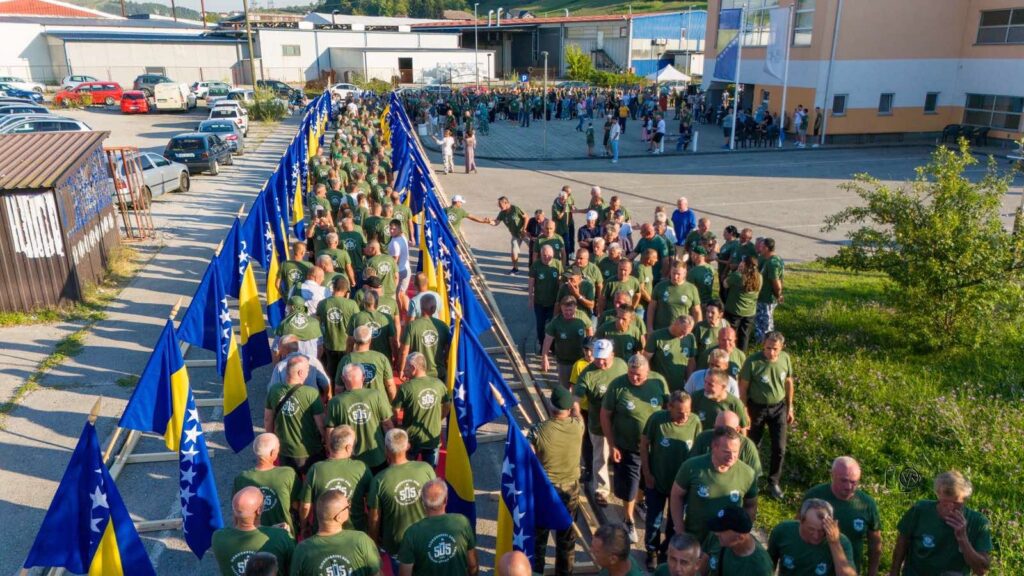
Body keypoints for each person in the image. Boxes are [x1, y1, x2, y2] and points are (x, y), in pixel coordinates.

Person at [601, 354, 669, 543]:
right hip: (627, 446)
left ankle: (640, 502)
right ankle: (628, 519)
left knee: (645, 480)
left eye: (638, 374)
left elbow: (668, 408)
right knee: (630, 484)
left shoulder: (659, 382)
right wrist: (611, 444)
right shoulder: (617, 385)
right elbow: (605, 415)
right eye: (631, 373)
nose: (634, 378)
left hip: (653, 447)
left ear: (648, 371)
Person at [640, 390, 702, 570]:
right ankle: (651, 550)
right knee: (654, 519)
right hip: (657, 480)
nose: (685, 416)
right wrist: (647, 473)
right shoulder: (657, 420)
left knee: (675, 522)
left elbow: (698, 452)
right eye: (680, 412)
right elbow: (644, 444)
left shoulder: (695, 422)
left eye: (688, 411)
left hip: (681, 485)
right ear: (670, 407)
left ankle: (667, 550)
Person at [890, 470, 992, 576]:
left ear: (965, 500)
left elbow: (981, 570)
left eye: (956, 503)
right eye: (945, 503)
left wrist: (963, 539)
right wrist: (894, 571)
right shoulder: (920, 510)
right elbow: (902, 541)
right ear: (938, 495)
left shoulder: (978, 522)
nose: (950, 507)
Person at [529, 386, 585, 576]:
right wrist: (575, 406)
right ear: (568, 409)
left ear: (551, 406)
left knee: (539, 538)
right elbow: (578, 415)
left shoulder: (538, 430)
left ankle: (536, 572)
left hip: (545, 490)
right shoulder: (578, 427)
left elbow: (529, 455)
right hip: (570, 490)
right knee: (566, 538)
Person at [670, 427, 758, 547]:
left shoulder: (748, 474)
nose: (732, 456)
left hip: (726, 546)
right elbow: (676, 495)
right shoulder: (692, 467)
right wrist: (680, 529)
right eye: (727, 451)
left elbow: (751, 505)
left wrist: (742, 533)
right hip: (695, 540)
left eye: (735, 452)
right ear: (714, 446)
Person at [368, 428, 438, 574]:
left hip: (397, 546)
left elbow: (374, 518)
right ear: (408, 446)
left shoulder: (379, 480)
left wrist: (373, 544)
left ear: (386, 450)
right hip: (425, 539)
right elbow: (436, 503)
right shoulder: (426, 469)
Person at [802, 456, 882, 575]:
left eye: (853, 482)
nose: (848, 487)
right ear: (833, 476)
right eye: (844, 481)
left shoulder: (866, 504)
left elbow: (875, 544)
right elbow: (799, 529)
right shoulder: (815, 496)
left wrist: (872, 573)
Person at [739, 331, 795, 499]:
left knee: (779, 447)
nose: (771, 352)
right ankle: (751, 478)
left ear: (781, 348)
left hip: (778, 408)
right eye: (768, 348)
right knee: (752, 445)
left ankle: (773, 481)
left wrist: (790, 407)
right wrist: (744, 410)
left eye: (775, 349)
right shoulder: (752, 362)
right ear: (763, 345)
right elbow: (743, 388)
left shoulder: (785, 359)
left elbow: (788, 382)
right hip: (756, 408)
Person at [572, 339, 626, 507]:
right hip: (598, 423)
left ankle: (623, 487)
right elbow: (576, 397)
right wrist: (577, 414)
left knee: (623, 455)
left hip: (622, 422)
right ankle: (601, 490)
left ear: (613, 355)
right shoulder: (587, 374)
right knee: (600, 456)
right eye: (597, 358)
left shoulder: (621, 365)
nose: (600, 362)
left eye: (604, 359)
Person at [299, 425, 372, 535]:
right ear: (348, 447)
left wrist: (303, 527)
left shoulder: (315, 469)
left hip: (323, 532)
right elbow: (371, 504)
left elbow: (305, 506)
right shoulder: (361, 468)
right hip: (355, 531)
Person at [398, 479, 478, 576]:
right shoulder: (462, 522)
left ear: (423, 502)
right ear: (446, 500)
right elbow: (472, 565)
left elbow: (404, 574)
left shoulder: (411, 533)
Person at [290, 491, 381, 576]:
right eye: (347, 507)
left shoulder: (302, 549)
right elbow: (376, 573)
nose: (349, 509)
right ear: (338, 517)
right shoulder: (361, 540)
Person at [327, 363, 394, 473]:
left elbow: (330, 431)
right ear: (363, 377)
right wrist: (392, 450)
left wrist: (331, 453)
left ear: (343, 379)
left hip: (349, 458)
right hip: (377, 455)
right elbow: (387, 424)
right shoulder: (376, 395)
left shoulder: (335, 402)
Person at [212, 487, 295, 576]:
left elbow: (237, 529)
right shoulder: (281, 537)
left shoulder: (218, 537)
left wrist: (271, 530)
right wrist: (281, 534)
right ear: (259, 510)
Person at [264, 356, 325, 476]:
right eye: (307, 369)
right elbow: (321, 424)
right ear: (300, 373)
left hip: (283, 450)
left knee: (288, 481)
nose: (308, 372)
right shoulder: (311, 393)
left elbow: (267, 419)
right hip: (308, 450)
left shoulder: (274, 390)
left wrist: (272, 442)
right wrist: (326, 441)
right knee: (309, 482)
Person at [233, 433, 300, 537]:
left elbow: (237, 512)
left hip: (254, 536)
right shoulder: (288, 473)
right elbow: (296, 504)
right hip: (283, 534)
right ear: (273, 453)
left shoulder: (241, 478)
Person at [768, 499, 858, 576]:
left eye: (822, 530)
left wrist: (834, 543)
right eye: (811, 529)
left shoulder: (841, 542)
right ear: (800, 520)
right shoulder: (783, 531)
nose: (816, 536)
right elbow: (767, 566)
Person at [392, 352, 450, 467]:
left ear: (413, 368)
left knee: (408, 471)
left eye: (406, 366)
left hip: (411, 440)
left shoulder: (405, 388)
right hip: (432, 437)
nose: (404, 369)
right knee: (430, 472)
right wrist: (438, 419)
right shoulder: (439, 384)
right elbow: (447, 405)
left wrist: (397, 428)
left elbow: (395, 412)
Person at [688, 412, 762, 480]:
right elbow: (691, 465)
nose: (721, 435)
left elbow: (754, 475)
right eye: (718, 429)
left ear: (737, 429)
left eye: (727, 431)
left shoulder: (747, 446)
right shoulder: (704, 438)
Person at [704, 505, 774, 576]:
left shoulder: (760, 570)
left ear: (740, 538)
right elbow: (703, 558)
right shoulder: (716, 538)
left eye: (722, 530)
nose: (716, 533)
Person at [542, 296, 594, 387]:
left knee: (581, 385)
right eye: (565, 310)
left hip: (581, 359)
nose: (568, 313)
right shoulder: (556, 322)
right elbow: (548, 340)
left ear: (575, 308)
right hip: (564, 361)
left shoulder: (582, 316)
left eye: (571, 310)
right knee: (565, 386)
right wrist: (544, 358)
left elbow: (589, 329)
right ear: (561, 308)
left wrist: (590, 348)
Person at [317, 276, 359, 382]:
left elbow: (318, 325)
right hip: (347, 346)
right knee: (347, 374)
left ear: (334, 287)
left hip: (329, 344)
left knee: (330, 372)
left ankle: (331, 390)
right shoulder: (352, 304)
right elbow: (358, 325)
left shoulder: (322, 304)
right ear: (346, 290)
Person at [398, 294, 450, 378]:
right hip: (438, 374)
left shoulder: (412, 326)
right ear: (434, 309)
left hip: (418, 374)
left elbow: (404, 352)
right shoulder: (443, 326)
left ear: (421, 307)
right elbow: (448, 351)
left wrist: (402, 370)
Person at [339, 325, 395, 400]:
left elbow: (338, 388)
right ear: (370, 340)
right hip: (378, 402)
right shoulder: (381, 358)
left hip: (354, 402)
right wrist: (393, 404)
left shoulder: (346, 360)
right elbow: (390, 385)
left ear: (354, 340)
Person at [644, 315, 697, 390]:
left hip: (680, 388)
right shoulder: (657, 336)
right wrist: (649, 379)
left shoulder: (690, 337)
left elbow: (691, 361)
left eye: (687, 333)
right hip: (659, 386)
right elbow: (645, 359)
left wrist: (689, 382)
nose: (684, 335)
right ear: (676, 323)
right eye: (682, 331)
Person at [648, 263, 702, 332]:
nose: (675, 277)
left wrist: (696, 330)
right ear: (670, 272)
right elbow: (651, 308)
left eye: (678, 274)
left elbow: (697, 312)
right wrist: (650, 328)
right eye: (673, 273)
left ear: (685, 274)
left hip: (682, 332)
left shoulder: (691, 289)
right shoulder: (660, 286)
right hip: (661, 330)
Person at [723, 255, 760, 351]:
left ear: (744, 264)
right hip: (750, 312)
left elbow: (725, 284)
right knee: (744, 335)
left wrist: (737, 271)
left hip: (734, 311)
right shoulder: (760, 277)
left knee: (731, 333)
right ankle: (742, 354)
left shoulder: (737, 276)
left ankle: (730, 351)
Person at [530, 245, 563, 350]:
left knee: (552, 325)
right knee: (540, 326)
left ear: (553, 255)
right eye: (544, 255)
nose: (547, 257)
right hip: (539, 302)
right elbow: (531, 282)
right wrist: (530, 298)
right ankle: (541, 344)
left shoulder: (557, 264)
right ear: (540, 255)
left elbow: (561, 281)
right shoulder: (536, 265)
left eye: (549, 255)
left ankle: (552, 347)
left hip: (553, 302)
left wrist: (560, 299)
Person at [755, 238, 784, 343]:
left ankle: (768, 343)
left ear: (766, 248)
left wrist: (778, 295)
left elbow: (776, 283)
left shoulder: (772, 263)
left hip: (767, 299)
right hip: (762, 297)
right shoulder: (768, 259)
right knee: (759, 322)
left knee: (766, 323)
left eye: (761, 247)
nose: (759, 249)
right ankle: (760, 342)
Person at [491, 196, 528, 274]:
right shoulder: (502, 213)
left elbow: (526, 217)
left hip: (525, 233)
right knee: (514, 251)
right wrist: (489, 222)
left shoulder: (515, 209)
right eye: (499, 205)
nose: (499, 207)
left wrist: (524, 229)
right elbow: (496, 222)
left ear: (506, 203)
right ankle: (515, 269)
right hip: (515, 235)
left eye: (500, 205)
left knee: (534, 249)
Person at [387, 219, 411, 313]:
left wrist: (391, 273)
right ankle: (408, 312)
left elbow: (395, 260)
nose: (391, 231)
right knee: (402, 293)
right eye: (390, 228)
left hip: (399, 271)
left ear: (399, 229)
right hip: (407, 269)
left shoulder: (395, 243)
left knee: (398, 295)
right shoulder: (403, 236)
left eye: (394, 229)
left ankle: (400, 314)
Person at [552, 185, 577, 257]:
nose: (570, 194)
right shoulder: (557, 201)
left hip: (569, 218)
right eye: (568, 193)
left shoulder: (570, 197)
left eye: (570, 193)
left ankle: (571, 252)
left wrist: (573, 207)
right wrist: (563, 209)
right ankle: (560, 254)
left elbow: (572, 205)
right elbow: (558, 215)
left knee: (571, 236)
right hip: (562, 222)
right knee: (562, 238)